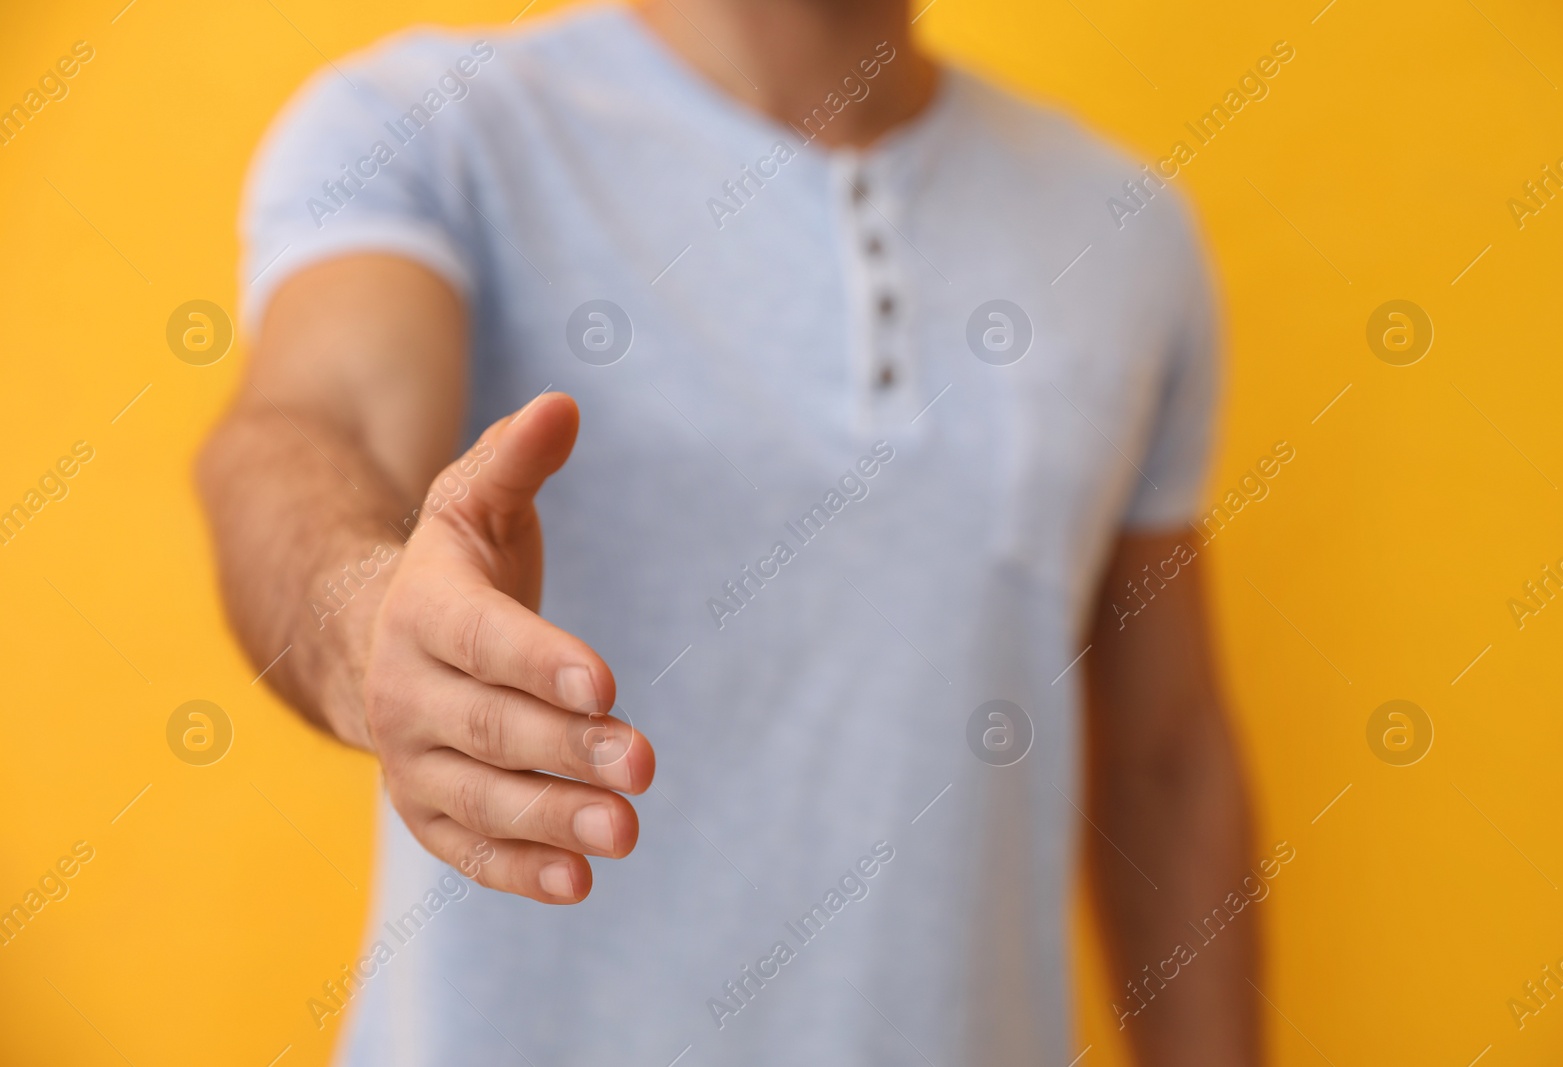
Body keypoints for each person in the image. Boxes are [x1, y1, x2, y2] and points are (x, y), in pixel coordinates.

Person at [197, 0, 1260, 1063]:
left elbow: (1161, 763)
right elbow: (312, 423)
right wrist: (368, 618)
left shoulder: (1125, 231)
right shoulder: (428, 131)